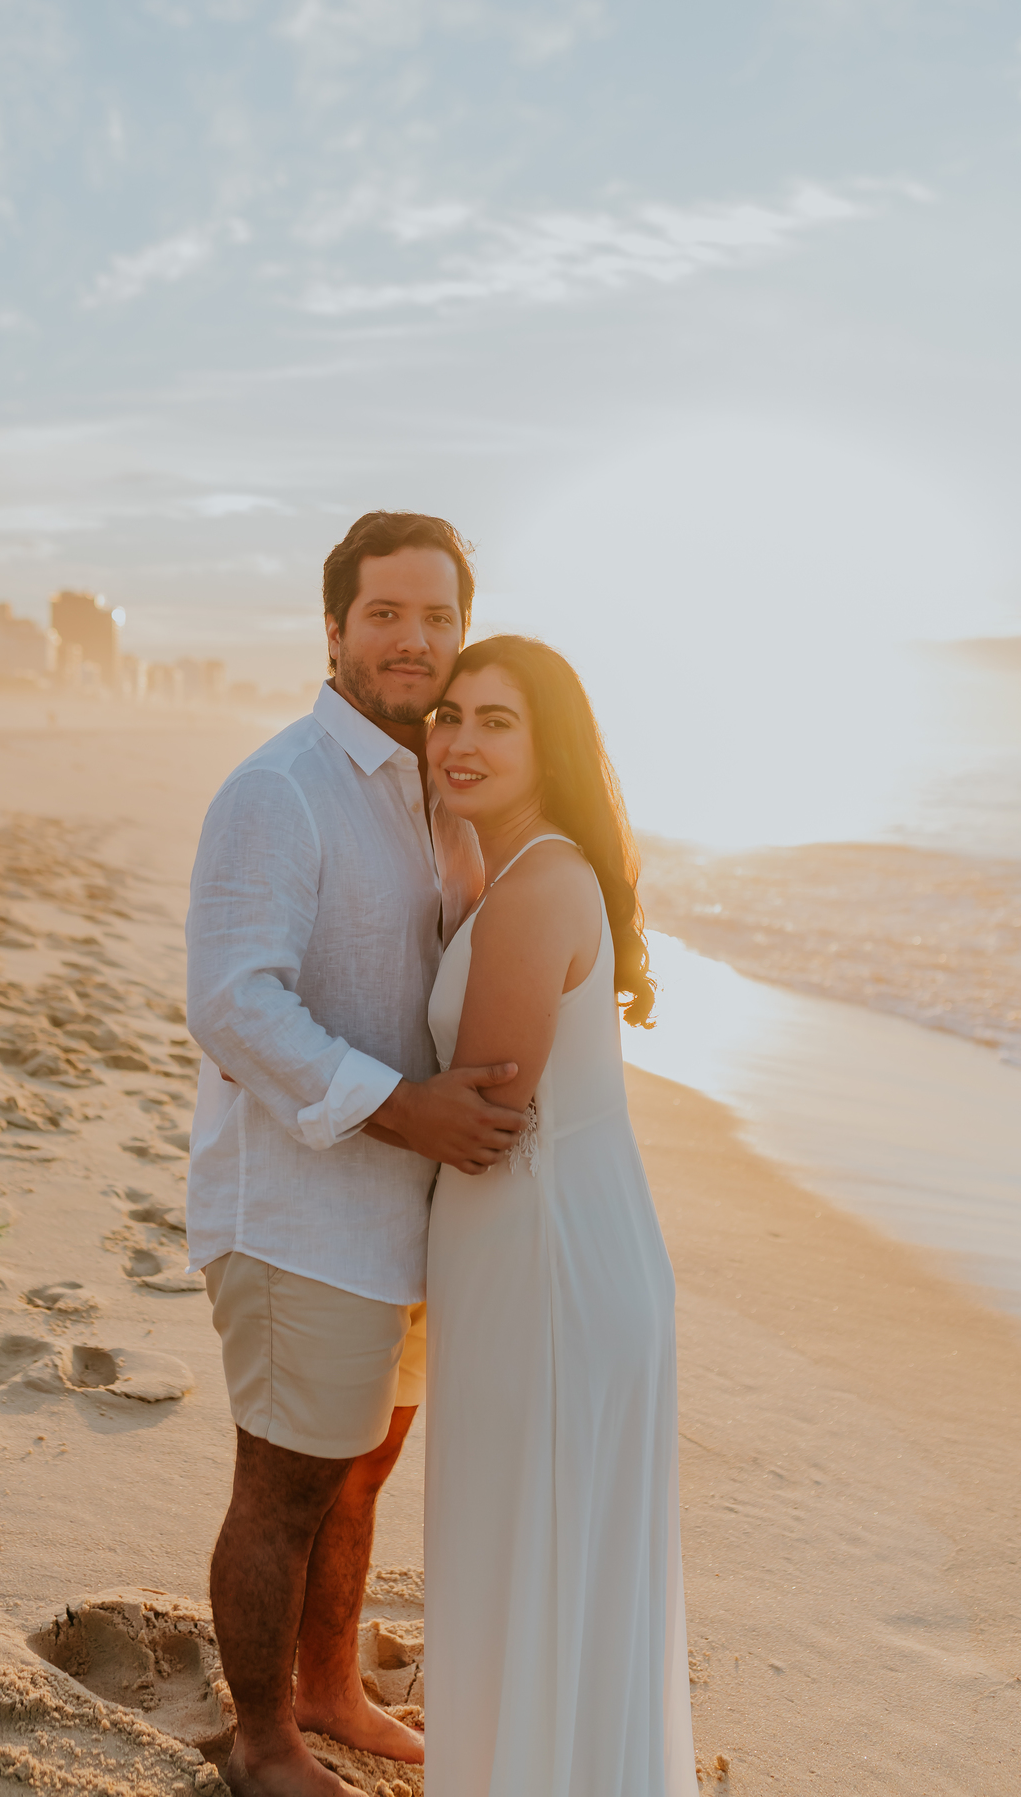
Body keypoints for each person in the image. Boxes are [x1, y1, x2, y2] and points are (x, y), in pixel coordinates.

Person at [184, 513, 526, 1797]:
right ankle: (263, 1742)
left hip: (411, 1217)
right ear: (333, 630)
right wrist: (407, 1109)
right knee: (285, 1484)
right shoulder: (281, 790)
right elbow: (234, 1002)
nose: (413, 640)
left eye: (438, 617)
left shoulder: (442, 789)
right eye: (386, 614)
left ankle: (329, 1689)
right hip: (300, 1215)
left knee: (363, 1468)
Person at [423, 635, 698, 1796]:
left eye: (497, 721)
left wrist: (337, 1100)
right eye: (448, 716)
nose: (461, 741)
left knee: (529, 1557)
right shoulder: (522, 872)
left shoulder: (537, 887)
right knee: (541, 1565)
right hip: (552, 1256)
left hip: (548, 1275)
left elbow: (484, 1114)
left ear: (553, 747)